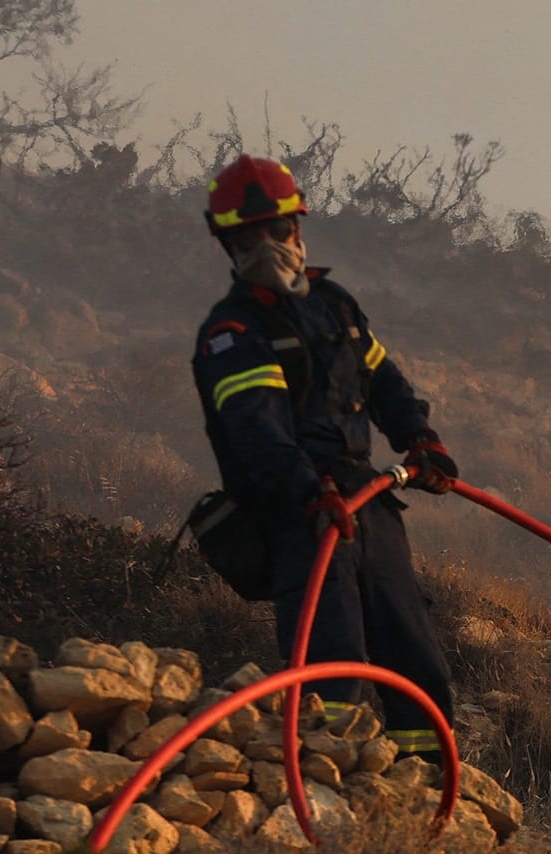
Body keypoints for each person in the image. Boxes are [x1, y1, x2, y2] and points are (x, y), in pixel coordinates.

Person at [189, 154, 458, 758]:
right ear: (227, 243)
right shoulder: (231, 331)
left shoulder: (335, 304)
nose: (267, 244)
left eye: (276, 229)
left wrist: (420, 438)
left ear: (298, 227)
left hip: (368, 499)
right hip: (301, 516)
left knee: (415, 654)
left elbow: (382, 379)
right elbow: (259, 433)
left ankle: (428, 790)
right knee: (330, 672)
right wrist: (310, 491)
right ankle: (320, 788)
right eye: (247, 235)